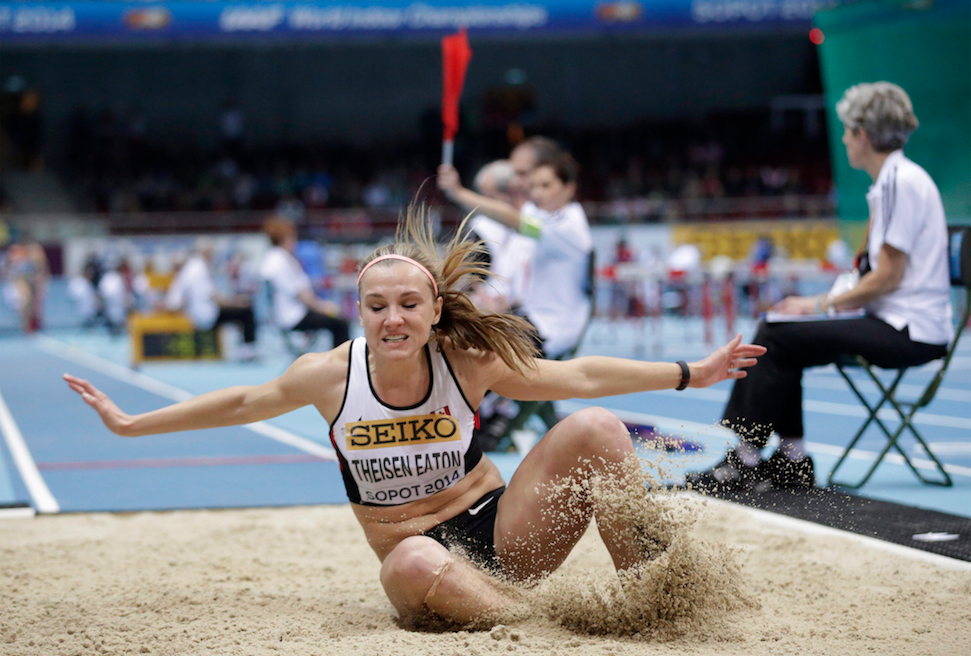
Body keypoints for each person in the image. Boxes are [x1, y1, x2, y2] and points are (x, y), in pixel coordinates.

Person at [64, 205, 765, 626]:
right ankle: (537, 625)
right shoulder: (330, 377)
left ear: (433, 312)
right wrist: (130, 424)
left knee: (596, 428)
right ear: (359, 312)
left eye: (408, 305)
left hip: (504, 536)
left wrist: (688, 374)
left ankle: (647, 593)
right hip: (422, 562)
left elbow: (577, 375)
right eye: (377, 306)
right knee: (406, 563)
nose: (392, 318)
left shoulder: (463, 362)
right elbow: (242, 403)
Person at [686, 82, 953, 493]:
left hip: (909, 330)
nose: (844, 138)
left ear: (862, 134)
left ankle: (746, 459)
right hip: (896, 320)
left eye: (847, 130)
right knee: (781, 332)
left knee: (775, 332)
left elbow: (887, 277)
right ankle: (792, 460)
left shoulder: (900, 181)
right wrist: (818, 306)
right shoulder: (895, 181)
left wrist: (819, 302)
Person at [438, 148, 592, 359]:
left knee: (463, 353)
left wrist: (458, 192)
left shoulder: (568, 227)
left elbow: (514, 218)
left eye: (546, 186)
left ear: (569, 188)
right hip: (526, 319)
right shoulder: (544, 217)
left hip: (550, 331)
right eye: (534, 186)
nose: (537, 193)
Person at [259, 216, 350, 349]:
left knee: (335, 317)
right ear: (287, 238)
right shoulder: (280, 262)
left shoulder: (275, 259)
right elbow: (300, 294)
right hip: (293, 316)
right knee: (340, 323)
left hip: (289, 312)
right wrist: (323, 307)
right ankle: (344, 361)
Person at [165, 239, 259, 361]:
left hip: (197, 313)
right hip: (206, 315)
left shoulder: (191, 267)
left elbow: (176, 297)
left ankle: (243, 347)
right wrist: (237, 302)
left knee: (239, 309)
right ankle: (247, 349)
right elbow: (214, 298)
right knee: (245, 311)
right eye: (212, 252)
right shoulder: (199, 269)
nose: (213, 255)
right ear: (206, 252)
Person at [466, 160, 535, 314]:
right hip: (491, 304)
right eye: (483, 196)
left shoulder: (533, 222)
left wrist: (511, 301)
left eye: (489, 197)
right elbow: (471, 275)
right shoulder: (480, 226)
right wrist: (483, 297)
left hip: (527, 310)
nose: (485, 204)